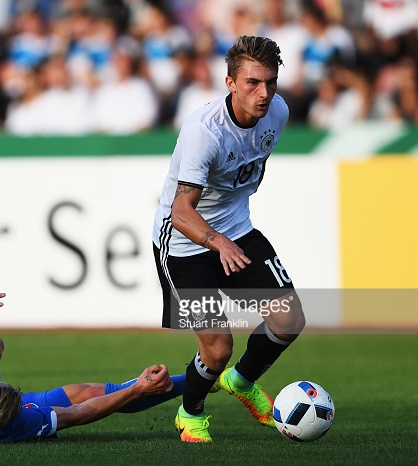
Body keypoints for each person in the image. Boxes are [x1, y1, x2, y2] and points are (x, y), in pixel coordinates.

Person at [152, 35, 305, 443]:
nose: (264, 92)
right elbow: (180, 212)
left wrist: (229, 234)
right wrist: (217, 242)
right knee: (217, 349)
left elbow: (252, 163)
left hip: (236, 230)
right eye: (253, 82)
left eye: (270, 82)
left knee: (289, 320)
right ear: (230, 83)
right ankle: (190, 412)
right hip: (183, 244)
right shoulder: (205, 132)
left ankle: (241, 380)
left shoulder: (278, 112)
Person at [0, 276, 190, 445]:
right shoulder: (13, 424)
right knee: (91, 393)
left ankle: (202, 379)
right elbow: (78, 413)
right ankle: (204, 379)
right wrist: (136, 389)